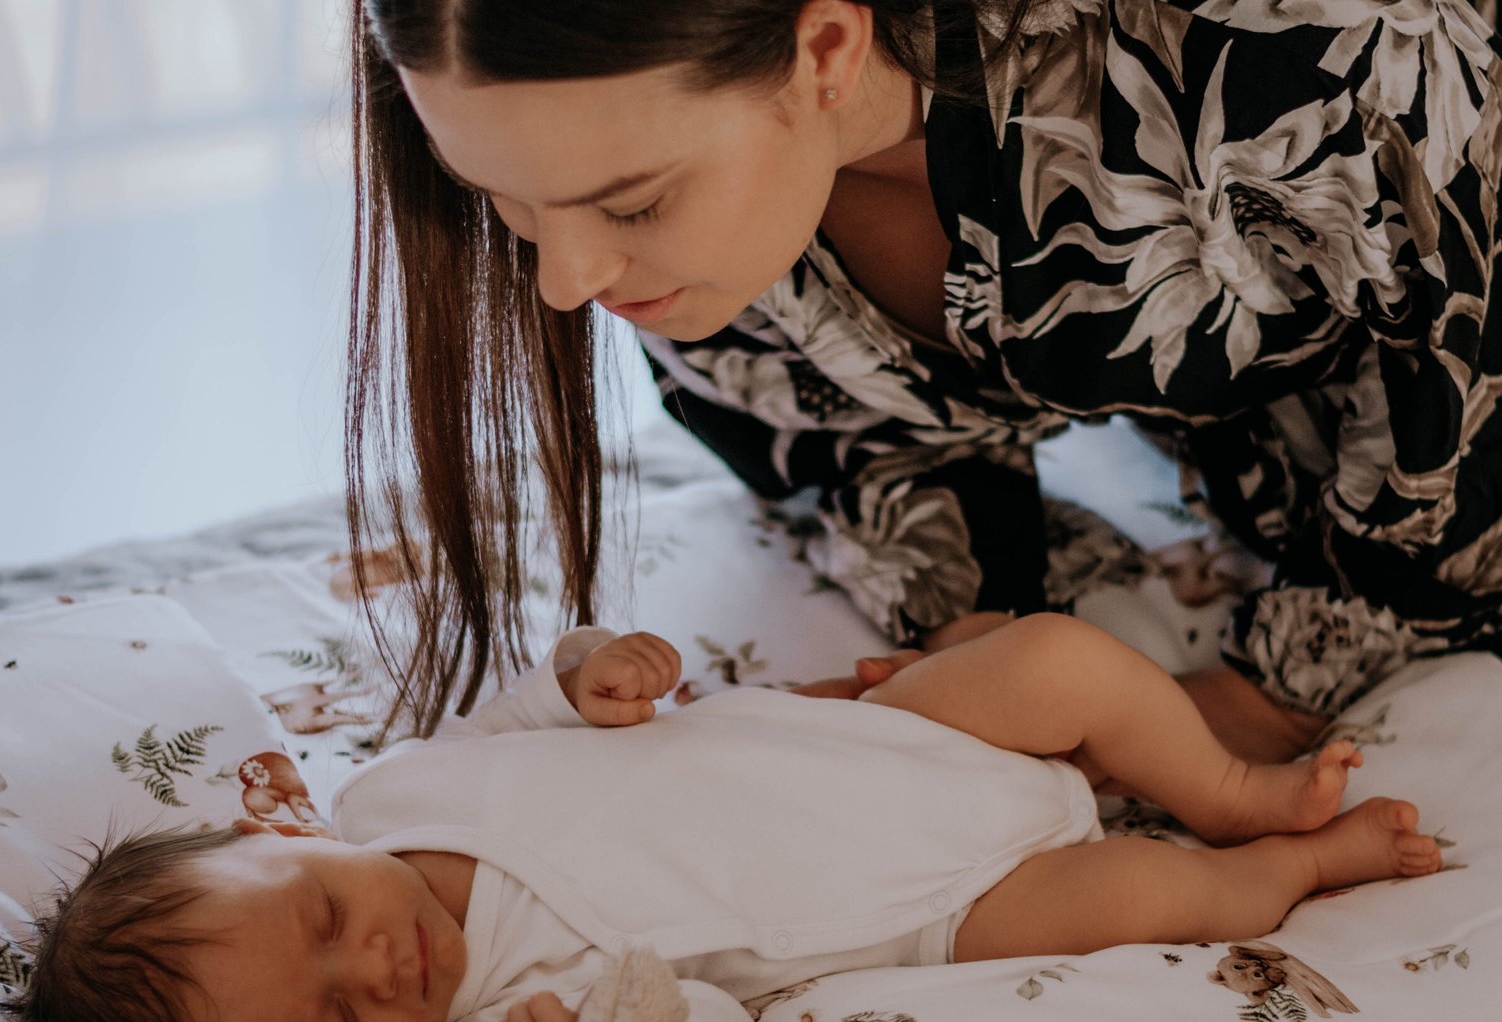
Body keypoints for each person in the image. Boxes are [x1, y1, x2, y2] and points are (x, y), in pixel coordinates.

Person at [342, 0, 1502, 765]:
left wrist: (1266, 696)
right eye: (504, 198)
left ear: (827, 49)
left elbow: (1476, 346)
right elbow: (853, 439)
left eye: (633, 203)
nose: (565, 280)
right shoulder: (670, 200)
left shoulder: (1301, 52)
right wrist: (983, 638)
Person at [0, 614, 1439, 1022]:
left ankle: (1235, 787)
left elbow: (534, 687)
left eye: (316, 916)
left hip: (894, 746)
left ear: (288, 836)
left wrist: (592, 668)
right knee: (1145, 898)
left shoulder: (396, 790)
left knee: (1057, 660)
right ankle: (1280, 873)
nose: (371, 965)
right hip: (943, 910)